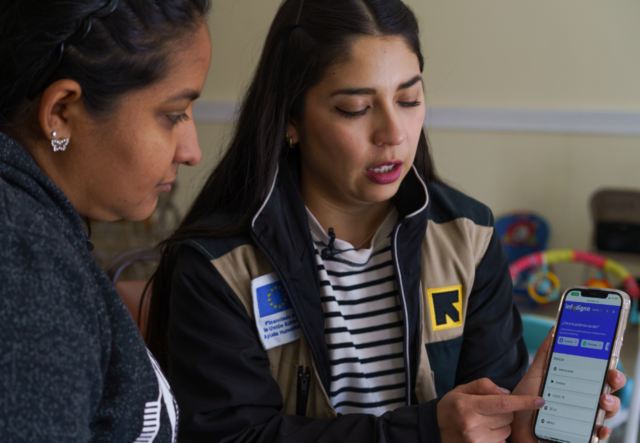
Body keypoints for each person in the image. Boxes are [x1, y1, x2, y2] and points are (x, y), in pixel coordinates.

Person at [145, 0, 625, 442]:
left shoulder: (467, 237)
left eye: (410, 100)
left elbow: (487, 420)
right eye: (355, 108)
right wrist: (423, 433)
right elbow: (234, 436)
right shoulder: (219, 268)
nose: (393, 133)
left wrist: (521, 426)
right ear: (291, 118)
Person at [0, 0, 211, 441]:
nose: (192, 151)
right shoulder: (25, 261)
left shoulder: (39, 233)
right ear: (61, 113)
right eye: (173, 115)